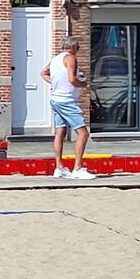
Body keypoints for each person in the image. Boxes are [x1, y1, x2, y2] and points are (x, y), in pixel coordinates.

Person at [41, 37, 95, 180]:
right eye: (77, 47)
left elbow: (43, 73)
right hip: (66, 100)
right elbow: (72, 79)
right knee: (83, 133)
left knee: (60, 132)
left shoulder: (55, 59)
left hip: (56, 99)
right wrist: (83, 84)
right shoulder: (70, 58)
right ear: (72, 47)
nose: (78, 50)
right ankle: (77, 168)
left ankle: (59, 168)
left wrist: (55, 83)